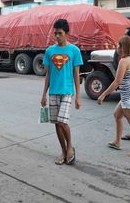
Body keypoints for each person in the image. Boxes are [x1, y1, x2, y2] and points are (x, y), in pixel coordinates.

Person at [41, 19, 83, 165]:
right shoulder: (49, 51)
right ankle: (63, 151)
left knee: (62, 122)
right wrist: (43, 95)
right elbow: (47, 74)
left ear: (67, 33)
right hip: (53, 92)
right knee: (57, 124)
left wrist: (78, 96)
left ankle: (70, 146)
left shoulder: (74, 51)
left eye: (60, 33)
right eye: (55, 33)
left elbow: (76, 74)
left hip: (67, 91)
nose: (57, 36)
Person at [97, 35, 130, 158]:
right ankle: (117, 142)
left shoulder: (124, 61)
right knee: (117, 115)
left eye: (119, 46)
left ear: (125, 47)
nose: (117, 48)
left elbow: (116, 82)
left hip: (129, 95)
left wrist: (103, 95)